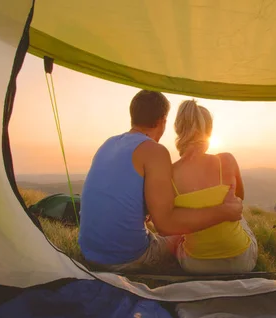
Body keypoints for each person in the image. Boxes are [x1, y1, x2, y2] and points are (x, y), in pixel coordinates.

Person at [78, 90, 243, 273]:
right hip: (124, 259)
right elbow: (165, 226)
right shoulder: (155, 151)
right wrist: (225, 211)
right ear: (162, 121)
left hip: (88, 252)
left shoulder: (108, 144)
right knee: (180, 236)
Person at [172, 100, 258, 274]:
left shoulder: (169, 173)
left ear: (179, 130)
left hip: (195, 265)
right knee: (240, 216)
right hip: (240, 263)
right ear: (208, 132)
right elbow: (239, 196)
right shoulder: (226, 160)